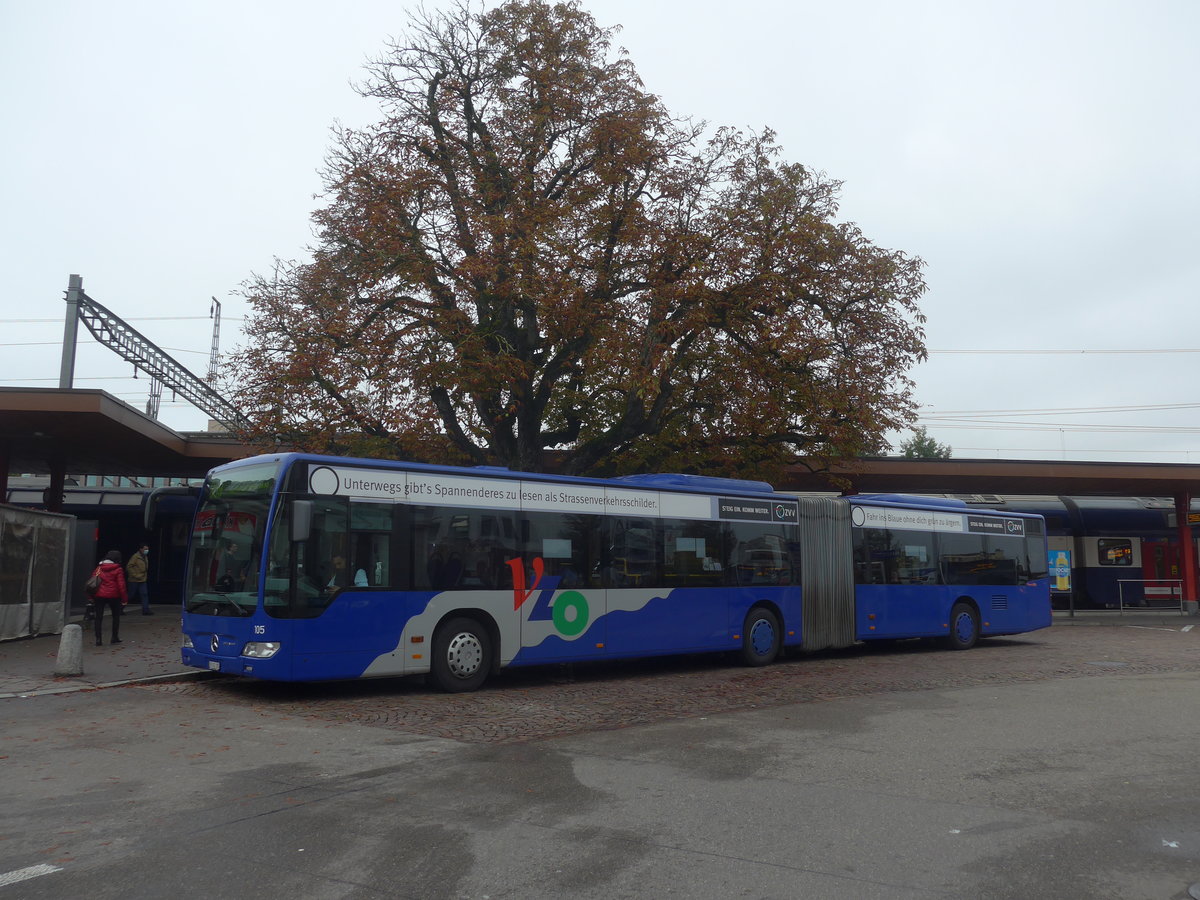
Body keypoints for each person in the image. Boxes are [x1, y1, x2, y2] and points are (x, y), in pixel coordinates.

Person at [92, 549, 128, 646]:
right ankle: (114, 637)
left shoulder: (99, 568)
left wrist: (91, 596)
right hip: (114, 596)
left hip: (99, 595)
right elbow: (121, 585)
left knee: (98, 617)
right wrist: (124, 599)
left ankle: (98, 639)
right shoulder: (118, 569)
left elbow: (93, 582)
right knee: (116, 617)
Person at [126, 543, 153, 615]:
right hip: (134, 580)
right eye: (145, 549)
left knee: (144, 594)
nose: (147, 550)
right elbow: (129, 567)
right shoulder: (135, 557)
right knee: (130, 595)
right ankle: (120, 608)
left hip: (142, 579)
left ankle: (145, 610)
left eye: (147, 549)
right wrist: (135, 575)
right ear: (141, 549)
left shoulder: (145, 557)